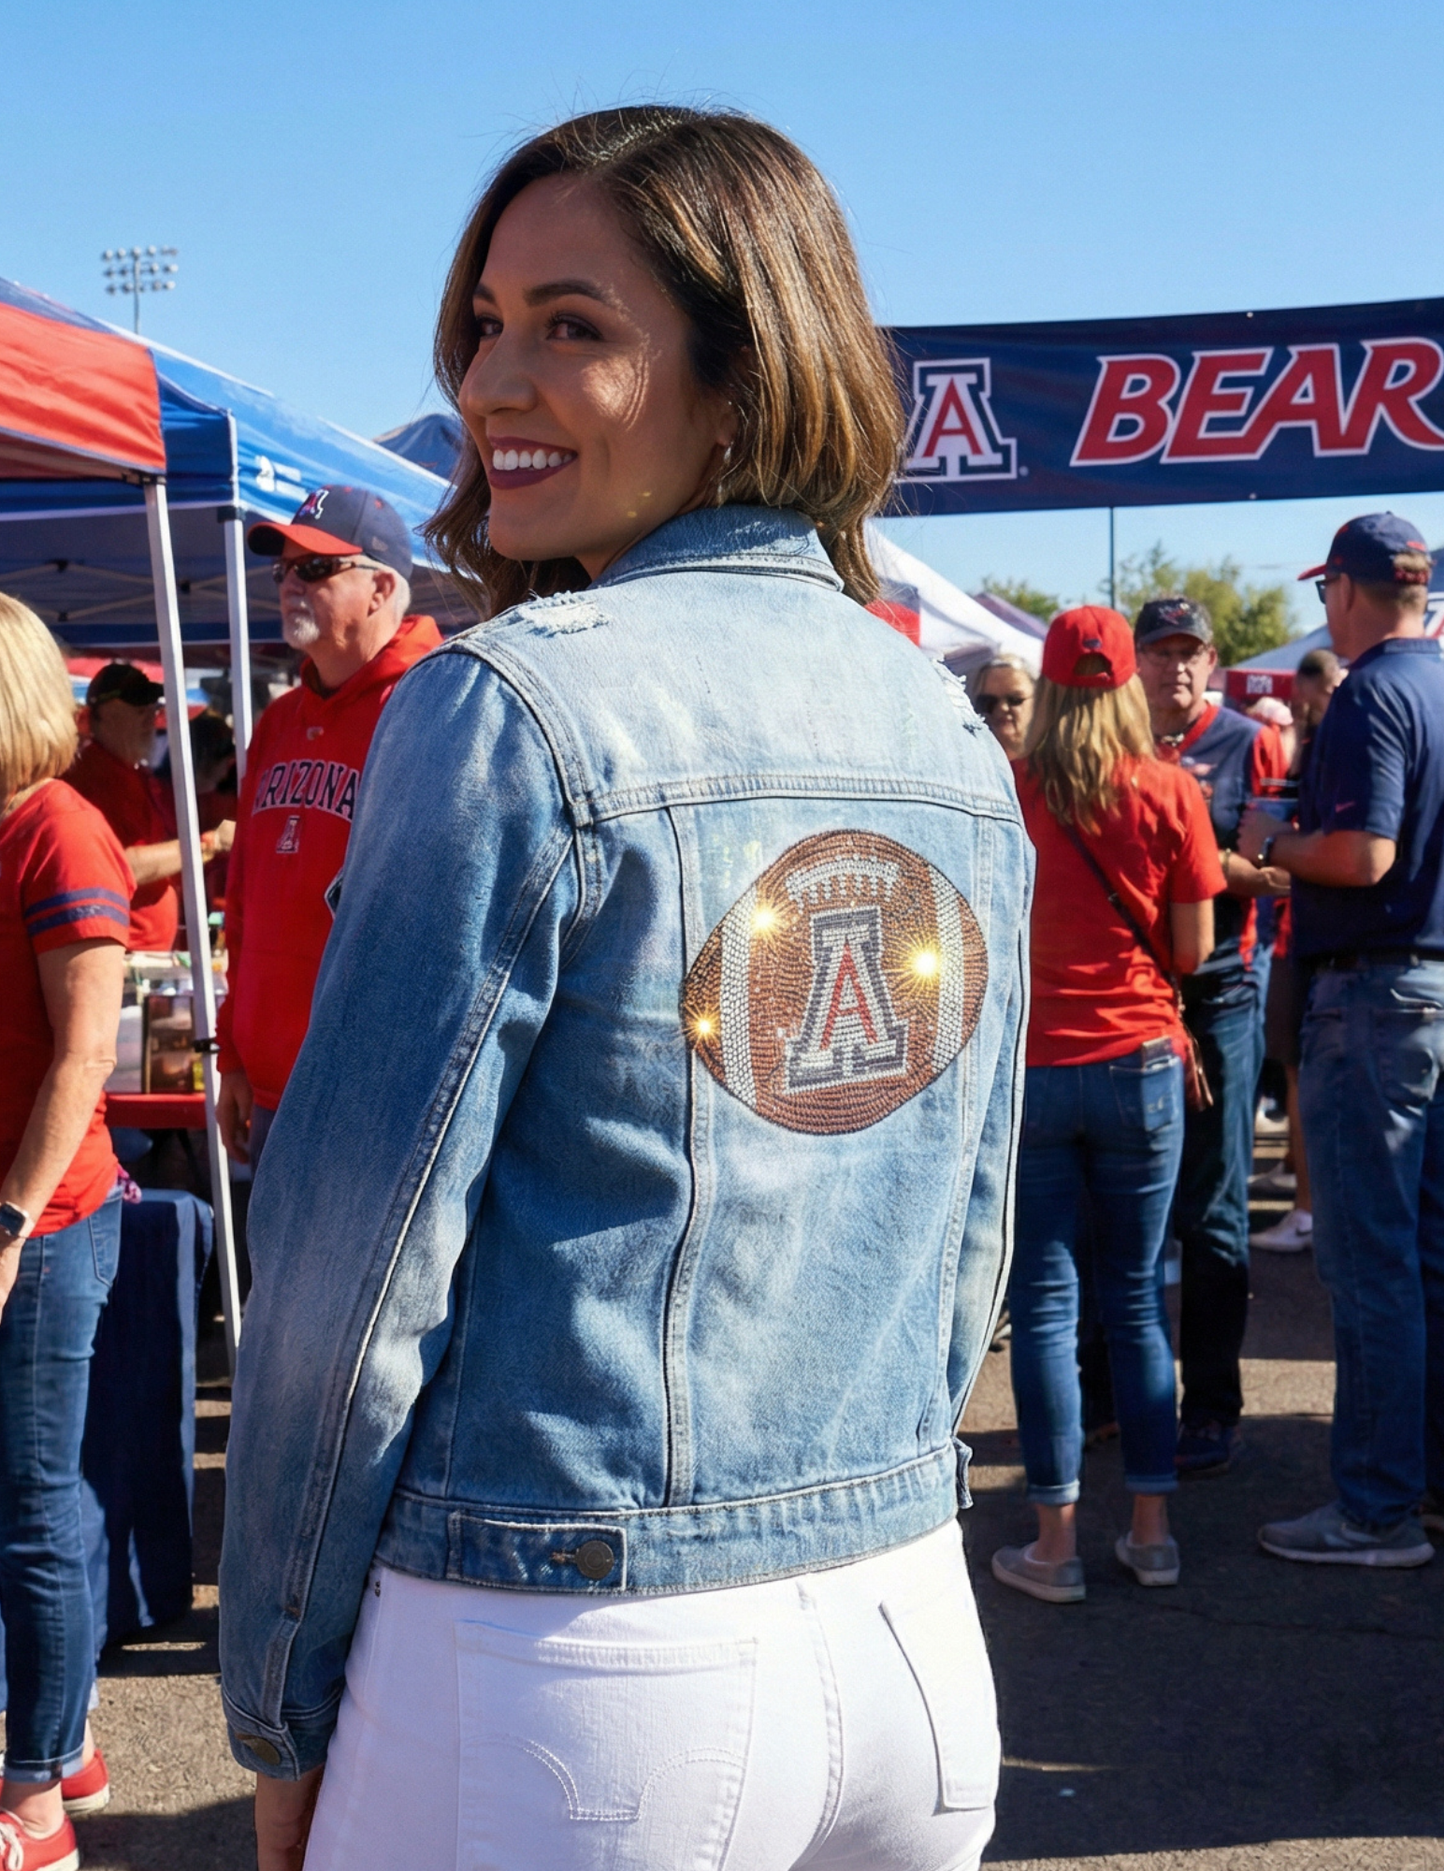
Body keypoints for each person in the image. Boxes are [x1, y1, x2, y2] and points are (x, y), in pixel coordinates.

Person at [220, 105, 1029, 1871]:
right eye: (486, 323)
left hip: (561, 1655)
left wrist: (273, 1699)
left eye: (573, 326)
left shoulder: (512, 703)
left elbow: (349, 1283)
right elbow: (969, 1223)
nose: (493, 382)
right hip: (902, 1641)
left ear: (744, 380)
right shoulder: (948, 729)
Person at [992, 607, 1219, 1604]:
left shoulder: (1008, 788)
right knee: (1132, 1298)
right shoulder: (1171, 788)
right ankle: (1150, 1531)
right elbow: (1191, 952)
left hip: (1035, 1065)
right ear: (1128, 683)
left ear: (1044, 687)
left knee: (1042, 1306)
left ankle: (1053, 1544)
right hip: (1137, 1060)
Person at [1238, 513, 1444, 1567]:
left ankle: (1372, 1507)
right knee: (1424, 1258)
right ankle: (1417, 1484)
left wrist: (1269, 839)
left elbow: (1361, 855)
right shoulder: (1436, 681)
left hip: (1376, 994)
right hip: (1426, 991)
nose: (1323, 607)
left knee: (1370, 1268)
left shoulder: (1372, 688)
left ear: (1352, 591)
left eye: (1328, 590)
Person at [0, 597, 132, 1870]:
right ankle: (67, 1735)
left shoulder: (58, 828)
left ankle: (35, 1799)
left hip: (43, 1226)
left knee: (31, 1508)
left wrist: (8, 1221)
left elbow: (86, 1053)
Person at [214, 487, 441, 1173]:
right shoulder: (279, 720)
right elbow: (244, 901)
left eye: (314, 569)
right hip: (271, 1087)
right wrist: (233, 1056)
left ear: (378, 588)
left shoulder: (432, 704)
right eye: (282, 570)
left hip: (372, 1101)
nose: (288, 584)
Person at [1134, 595, 1288, 1475]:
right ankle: (1117, 1398)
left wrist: (1194, 845)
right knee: (1123, 1211)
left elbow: (1275, 869)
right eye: (1159, 652)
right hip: (1137, 994)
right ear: (1137, 662)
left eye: (1189, 652)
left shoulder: (1243, 740)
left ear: (1213, 660)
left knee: (1213, 1208)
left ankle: (1213, 1406)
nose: (1175, 667)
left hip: (1221, 992)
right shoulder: (1112, 740)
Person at [1250, 648, 1344, 1253]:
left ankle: (1308, 1209)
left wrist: (1273, 844)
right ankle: (1306, 1195)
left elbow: (1351, 854)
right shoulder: (1322, 746)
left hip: (1306, 940)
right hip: (1308, 939)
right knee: (1299, 1077)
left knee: (1302, 1078)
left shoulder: (1328, 749)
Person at [67, 662, 232, 951]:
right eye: (139, 711)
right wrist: (211, 844)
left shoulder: (133, 775)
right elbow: (120, 864)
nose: (150, 720)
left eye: (153, 711)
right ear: (104, 714)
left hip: (138, 950)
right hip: (121, 951)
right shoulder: (92, 778)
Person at [969, 653, 1036, 760]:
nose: (1002, 708)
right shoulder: (968, 761)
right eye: (988, 701)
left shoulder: (1058, 764)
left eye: (1015, 699)